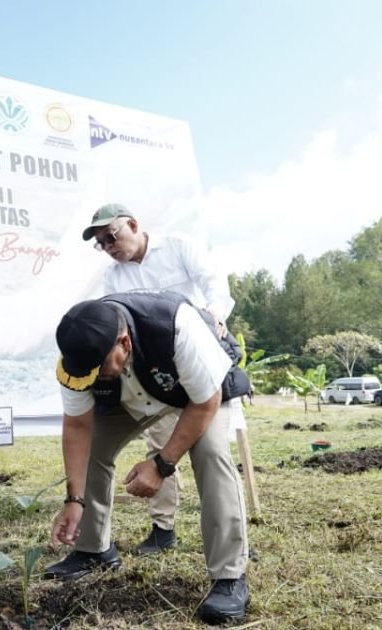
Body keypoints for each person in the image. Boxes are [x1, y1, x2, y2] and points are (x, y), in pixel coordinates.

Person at [43, 291, 251, 625]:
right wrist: (73, 499)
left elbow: (205, 403)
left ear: (124, 342)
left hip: (196, 396)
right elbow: (78, 425)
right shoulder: (79, 356)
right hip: (131, 395)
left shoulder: (175, 326)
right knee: (94, 444)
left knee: (211, 454)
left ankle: (229, 576)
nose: (91, 378)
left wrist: (161, 464)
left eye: (98, 370)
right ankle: (93, 548)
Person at [83, 203, 235, 556]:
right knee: (159, 444)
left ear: (133, 225)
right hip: (154, 375)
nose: (108, 247)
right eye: (101, 244)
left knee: (212, 452)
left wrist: (214, 314)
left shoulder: (178, 246)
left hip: (197, 358)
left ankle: (229, 538)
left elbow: (213, 282)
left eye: (111, 237)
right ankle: (163, 527)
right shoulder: (114, 277)